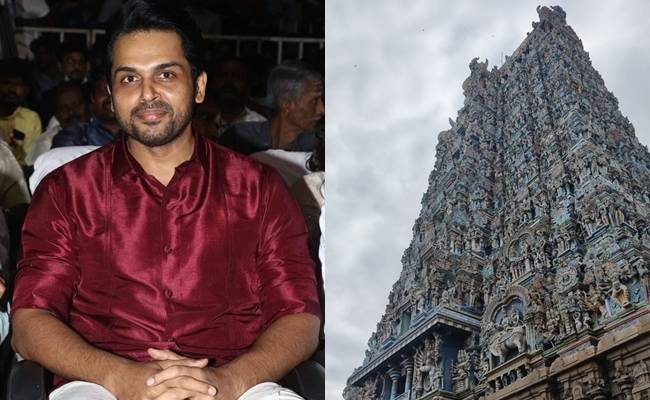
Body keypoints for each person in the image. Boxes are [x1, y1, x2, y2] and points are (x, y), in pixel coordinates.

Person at [11, 1, 320, 400]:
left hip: (234, 381)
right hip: (101, 383)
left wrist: (229, 381)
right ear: (110, 92)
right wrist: (119, 376)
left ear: (200, 85)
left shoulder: (260, 190)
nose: (147, 94)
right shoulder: (67, 191)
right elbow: (31, 318)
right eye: (128, 79)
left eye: (166, 74)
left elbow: (299, 316)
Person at [218, 61, 324, 155]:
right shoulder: (238, 139)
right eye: (314, 101)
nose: (322, 110)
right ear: (286, 104)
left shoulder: (317, 147)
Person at [25, 81, 90, 165]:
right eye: (64, 108)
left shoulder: (104, 133)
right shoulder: (45, 144)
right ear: (56, 115)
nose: (71, 112)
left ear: (89, 105)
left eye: (76, 105)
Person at [52, 74, 121, 147]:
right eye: (103, 90)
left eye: (116, 90)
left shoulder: (133, 132)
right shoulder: (74, 137)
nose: (111, 97)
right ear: (92, 98)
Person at [208, 57, 266, 139]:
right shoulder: (201, 122)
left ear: (247, 84)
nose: (229, 81)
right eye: (223, 76)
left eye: (236, 77)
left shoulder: (259, 125)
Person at [0, 58, 43, 165]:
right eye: (7, 83)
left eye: (18, 84)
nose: (12, 89)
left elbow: (30, 162)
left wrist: (12, 146)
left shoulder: (31, 118)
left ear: (26, 90)